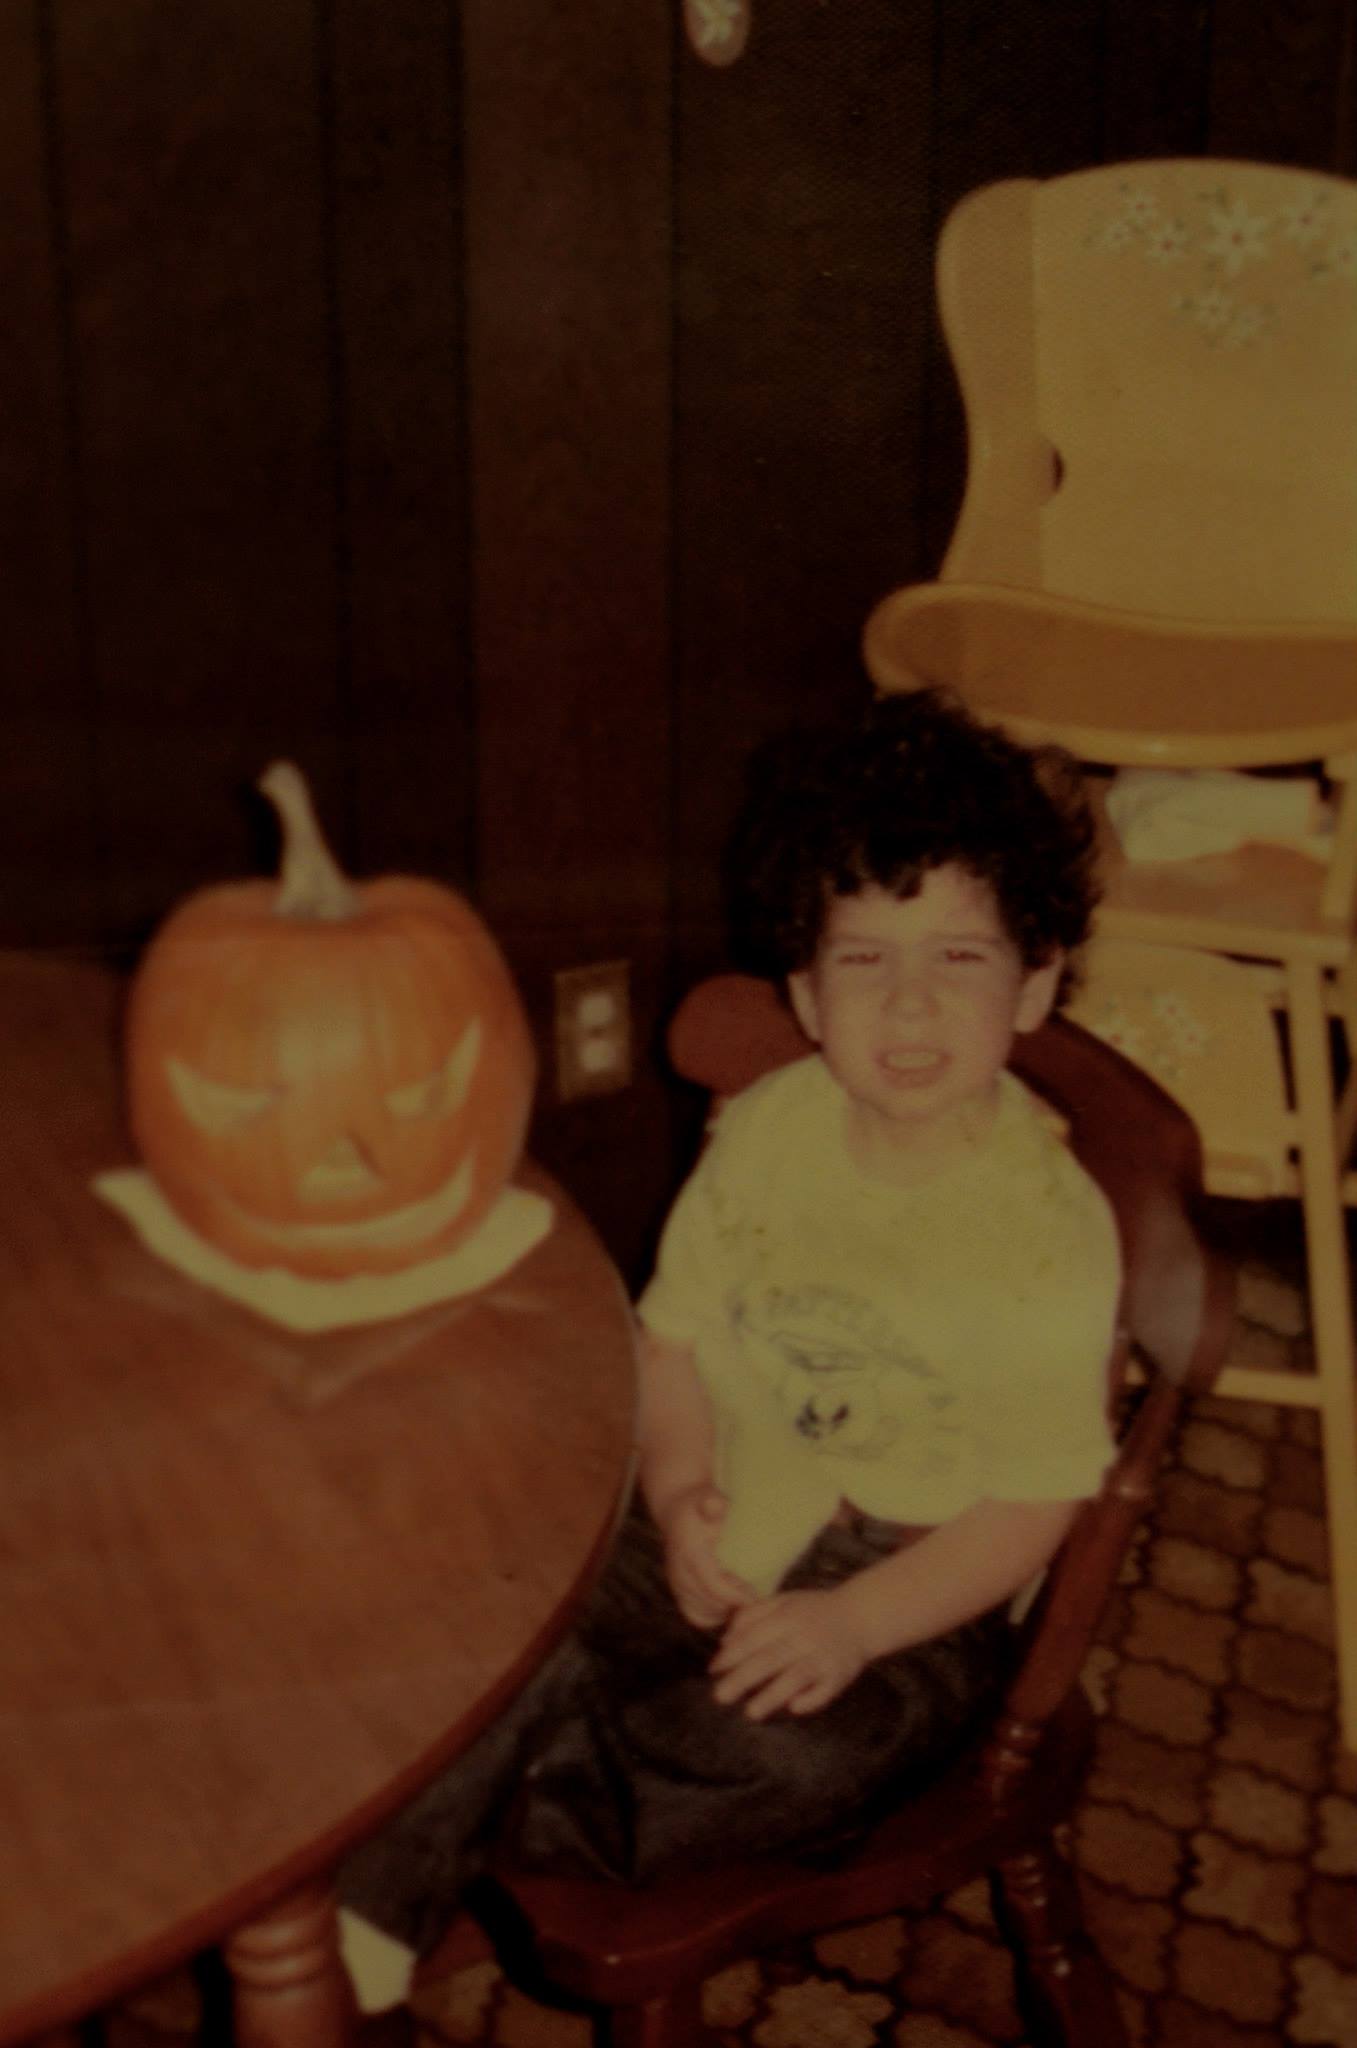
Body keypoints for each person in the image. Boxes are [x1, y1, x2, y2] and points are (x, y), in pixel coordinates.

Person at [337, 687, 1119, 2008]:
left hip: (913, 1584)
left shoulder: (1048, 1233)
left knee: (802, 1755)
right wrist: (678, 1483)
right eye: (864, 962)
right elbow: (672, 1344)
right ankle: (441, 1816)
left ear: (1034, 980)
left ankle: (476, 1800)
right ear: (805, 991)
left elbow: (1032, 1503)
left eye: (958, 959)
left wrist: (854, 1621)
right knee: (509, 1580)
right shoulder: (769, 1132)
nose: (909, 1007)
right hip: (725, 1501)